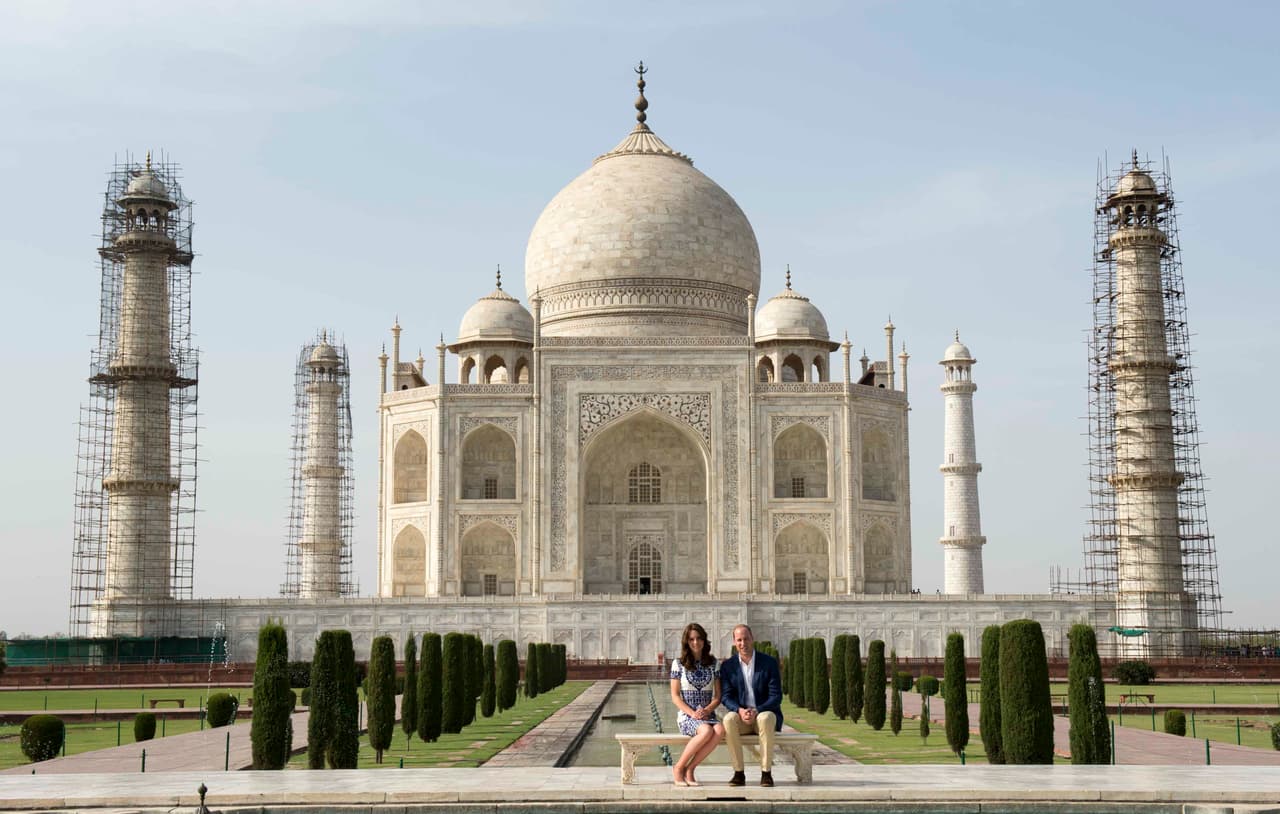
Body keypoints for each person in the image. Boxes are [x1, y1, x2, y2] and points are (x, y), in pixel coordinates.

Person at [719, 623, 783, 787]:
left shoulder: (768, 663)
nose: (743, 643)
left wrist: (757, 710)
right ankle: (738, 772)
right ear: (734, 642)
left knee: (766, 717)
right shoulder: (728, 666)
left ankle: (766, 773)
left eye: (746, 639)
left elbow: (776, 696)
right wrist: (739, 710)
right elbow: (726, 697)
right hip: (743, 718)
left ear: (752, 639)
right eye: (739, 640)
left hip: (763, 714)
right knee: (728, 719)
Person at [668, 622, 724, 787]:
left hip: (707, 714)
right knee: (706, 730)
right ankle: (678, 768)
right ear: (686, 642)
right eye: (691, 639)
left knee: (720, 729)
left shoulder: (714, 664)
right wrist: (692, 713)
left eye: (699, 638)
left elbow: (718, 696)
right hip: (687, 716)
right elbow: (675, 696)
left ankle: (690, 768)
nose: (695, 642)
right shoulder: (678, 664)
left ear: (704, 640)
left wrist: (706, 710)